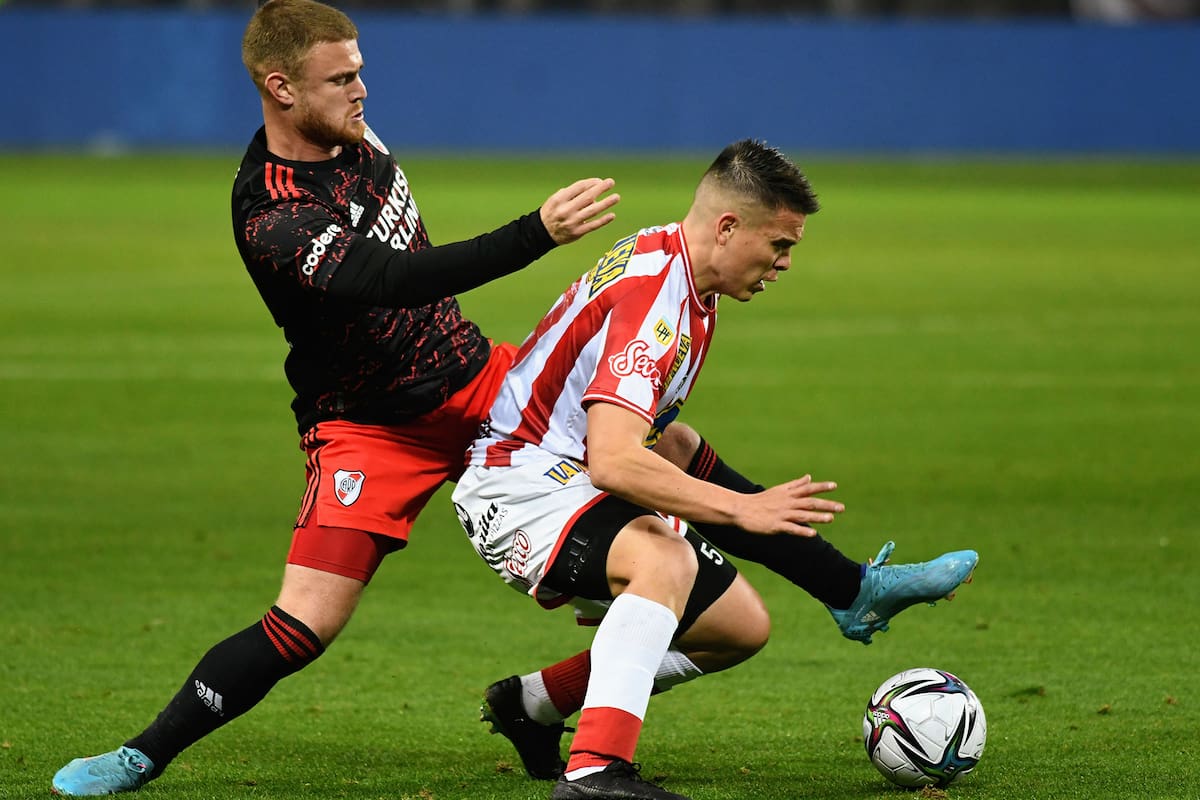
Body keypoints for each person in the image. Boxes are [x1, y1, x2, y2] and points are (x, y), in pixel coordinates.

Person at [49, 0, 624, 795]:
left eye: (361, 70)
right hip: (369, 428)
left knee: (639, 432)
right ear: (280, 87)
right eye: (342, 77)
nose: (362, 90)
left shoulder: (357, 136)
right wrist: (535, 233)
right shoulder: (272, 214)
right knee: (303, 624)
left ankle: (840, 589)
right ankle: (142, 754)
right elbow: (389, 280)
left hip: (478, 382)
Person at [450, 139, 978, 799]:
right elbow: (614, 459)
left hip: (561, 471)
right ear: (728, 228)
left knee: (737, 628)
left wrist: (774, 535)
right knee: (664, 560)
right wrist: (738, 507)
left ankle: (531, 705)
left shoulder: (683, 272)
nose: (783, 264)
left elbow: (654, 446)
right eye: (780, 245)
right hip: (519, 486)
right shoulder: (657, 304)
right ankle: (595, 774)